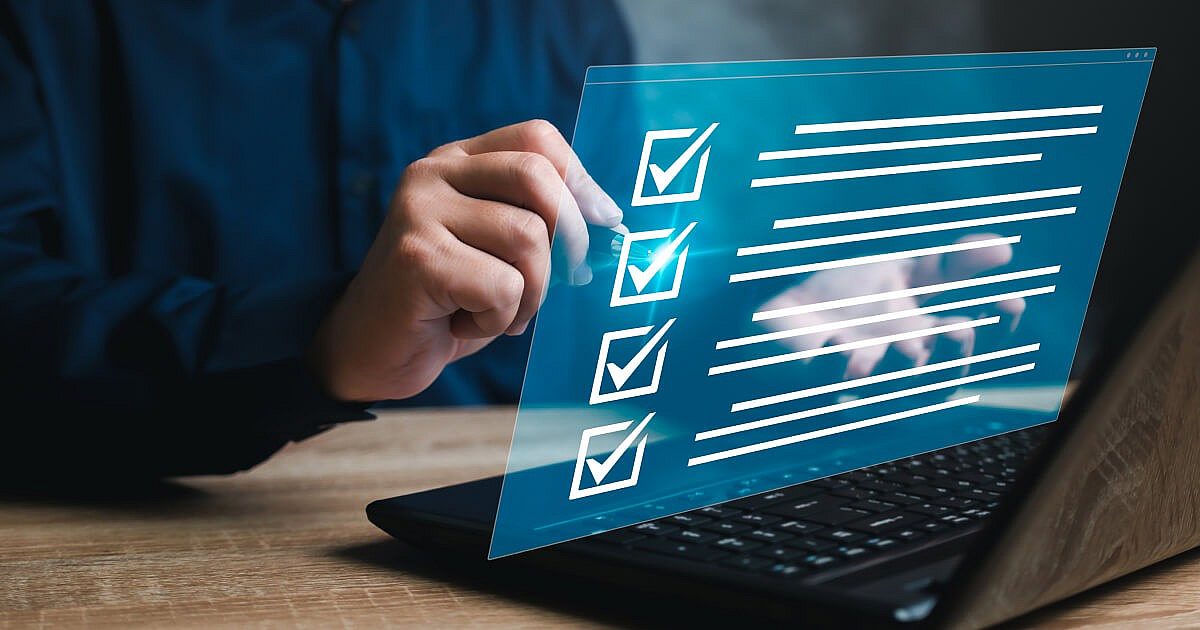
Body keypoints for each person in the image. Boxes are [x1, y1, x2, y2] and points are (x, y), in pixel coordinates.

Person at [0, 1, 1021, 480]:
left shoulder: (561, 23)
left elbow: (615, 301)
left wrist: (761, 311)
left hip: (519, 531)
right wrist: (318, 344)